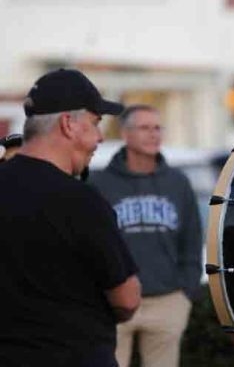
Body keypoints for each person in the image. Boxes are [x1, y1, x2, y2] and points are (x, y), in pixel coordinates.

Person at [0, 68, 141, 367]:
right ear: (68, 124)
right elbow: (127, 300)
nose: (100, 137)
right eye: (95, 123)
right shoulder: (81, 201)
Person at [89, 104, 203, 367]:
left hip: (168, 300)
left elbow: (192, 239)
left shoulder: (177, 182)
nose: (153, 134)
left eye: (157, 128)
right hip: (113, 303)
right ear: (126, 134)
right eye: (144, 128)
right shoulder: (100, 184)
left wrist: (186, 292)